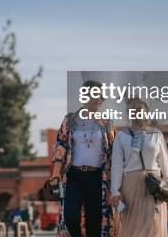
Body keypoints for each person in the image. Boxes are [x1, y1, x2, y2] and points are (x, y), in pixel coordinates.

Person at [49, 80, 118, 237]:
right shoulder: (71, 120)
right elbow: (60, 146)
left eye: (101, 96)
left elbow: (114, 154)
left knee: (94, 222)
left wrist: (116, 181)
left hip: (97, 178)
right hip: (74, 175)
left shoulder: (107, 123)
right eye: (96, 95)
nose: (100, 99)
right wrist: (55, 174)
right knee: (70, 217)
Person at [110, 98, 168, 237]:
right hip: (130, 187)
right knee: (132, 227)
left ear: (146, 112)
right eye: (133, 111)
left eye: (140, 110)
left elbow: (164, 164)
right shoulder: (121, 136)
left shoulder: (157, 134)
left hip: (155, 186)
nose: (137, 113)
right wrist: (115, 191)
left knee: (154, 226)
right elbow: (117, 166)